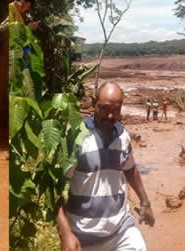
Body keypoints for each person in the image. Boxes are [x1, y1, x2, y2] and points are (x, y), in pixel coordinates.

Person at [56, 82, 154, 251]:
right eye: (105, 108)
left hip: (121, 231)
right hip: (84, 236)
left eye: (116, 110)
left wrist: (145, 202)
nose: (110, 116)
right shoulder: (76, 138)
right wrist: (65, 233)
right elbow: (55, 189)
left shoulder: (123, 135)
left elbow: (130, 169)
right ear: (94, 103)